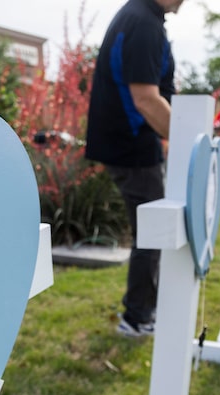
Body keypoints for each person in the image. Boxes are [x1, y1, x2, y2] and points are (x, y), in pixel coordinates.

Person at [85, 0, 184, 337]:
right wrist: (192, 141)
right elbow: (145, 98)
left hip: (132, 145)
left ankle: (145, 311)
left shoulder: (141, 16)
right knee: (153, 233)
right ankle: (138, 318)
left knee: (152, 233)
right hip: (132, 147)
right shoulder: (143, 22)